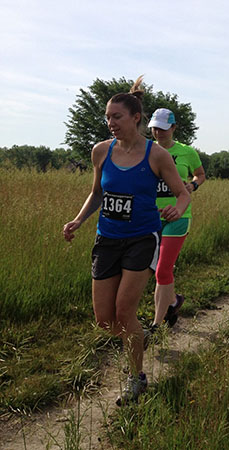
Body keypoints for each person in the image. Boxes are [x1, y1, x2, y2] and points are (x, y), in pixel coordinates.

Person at [62, 77, 190, 406]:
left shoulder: (157, 154)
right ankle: (137, 336)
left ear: (135, 117)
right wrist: (79, 219)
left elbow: (183, 192)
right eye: (107, 117)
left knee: (123, 311)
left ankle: (137, 377)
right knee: (105, 320)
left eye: (116, 116)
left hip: (142, 239)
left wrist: (177, 207)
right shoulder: (101, 151)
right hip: (107, 238)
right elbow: (97, 193)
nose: (110, 123)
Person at [146, 108, 205, 343]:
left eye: (163, 127)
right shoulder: (146, 151)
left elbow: (200, 174)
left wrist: (192, 186)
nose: (158, 132)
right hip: (150, 216)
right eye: (154, 127)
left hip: (178, 216)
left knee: (162, 269)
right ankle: (173, 302)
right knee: (152, 269)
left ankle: (155, 326)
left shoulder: (186, 152)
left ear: (173, 128)